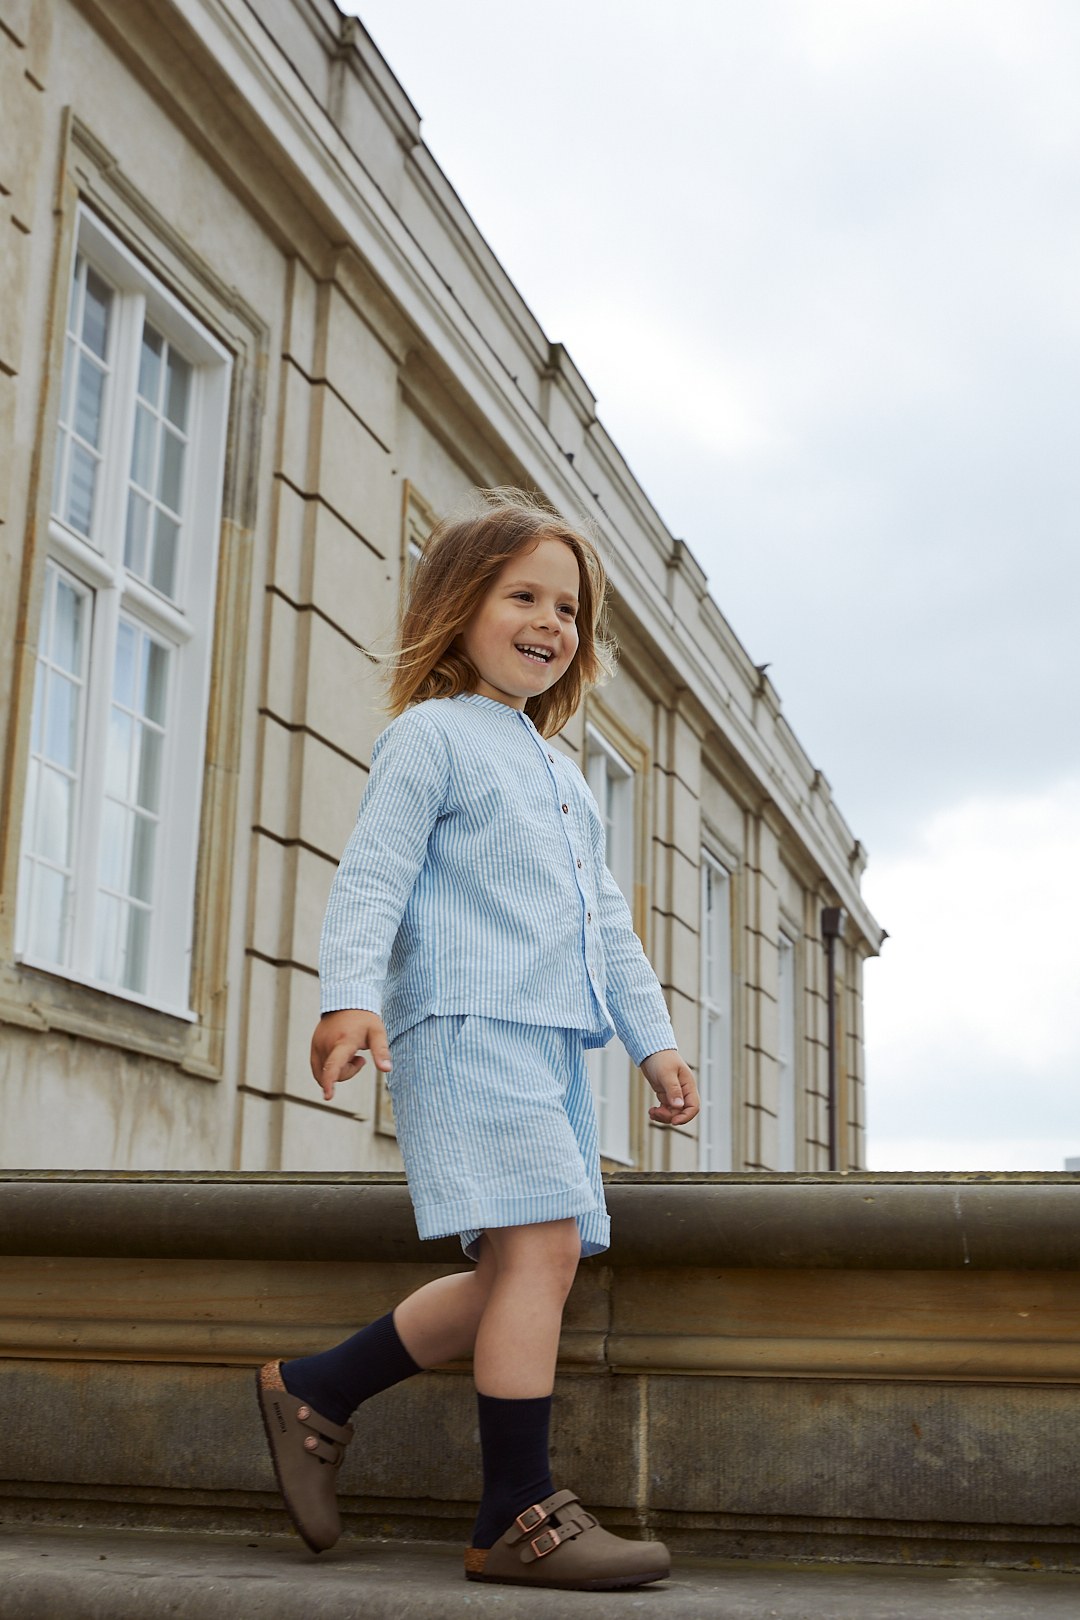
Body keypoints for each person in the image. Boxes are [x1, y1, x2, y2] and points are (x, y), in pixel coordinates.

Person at [256, 488, 700, 1590]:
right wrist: (348, 996)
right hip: (462, 1027)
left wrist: (654, 1041)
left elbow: (607, 925)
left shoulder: (563, 776)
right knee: (541, 1253)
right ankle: (515, 1513)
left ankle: (316, 1388)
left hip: (550, 1049)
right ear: (460, 604)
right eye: (526, 596)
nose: (554, 623)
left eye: (571, 610)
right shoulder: (429, 736)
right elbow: (373, 876)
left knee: (521, 1264)